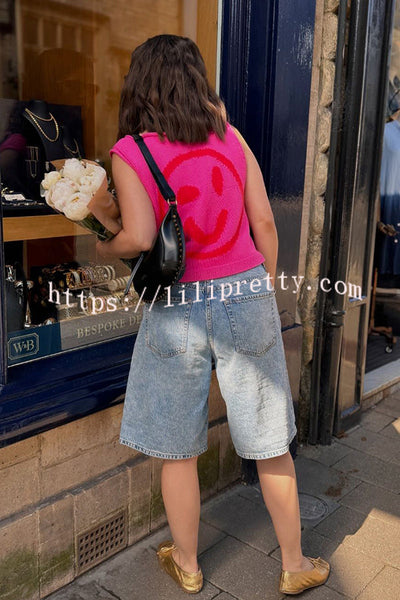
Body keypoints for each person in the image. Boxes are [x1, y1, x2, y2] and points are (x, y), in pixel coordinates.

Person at [97, 34, 330, 596]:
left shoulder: (132, 152)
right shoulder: (230, 136)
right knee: (269, 436)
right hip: (245, 290)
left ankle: (189, 563)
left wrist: (104, 240)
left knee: (177, 444)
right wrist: (263, 286)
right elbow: (266, 223)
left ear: (140, 83)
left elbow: (139, 237)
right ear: (197, 80)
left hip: (177, 308)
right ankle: (295, 564)